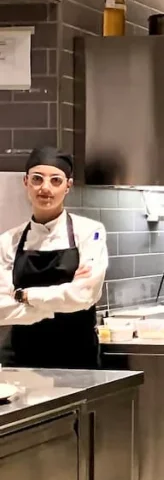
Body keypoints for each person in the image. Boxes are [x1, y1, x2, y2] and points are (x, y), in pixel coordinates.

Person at [0, 147, 108, 369]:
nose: (45, 188)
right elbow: (1, 308)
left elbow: (84, 294)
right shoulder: (8, 240)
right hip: (20, 359)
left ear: (68, 186)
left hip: (77, 358)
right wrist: (58, 304)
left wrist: (23, 295)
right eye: (37, 179)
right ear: (26, 182)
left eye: (55, 180)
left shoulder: (90, 231)